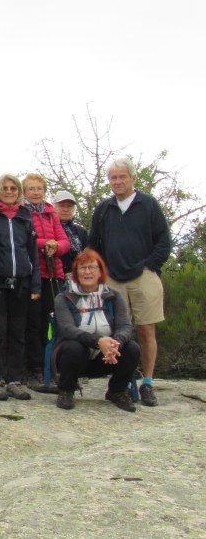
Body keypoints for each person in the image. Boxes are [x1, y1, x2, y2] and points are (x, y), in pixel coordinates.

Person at [86, 157, 171, 407]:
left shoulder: (149, 204)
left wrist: (150, 266)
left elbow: (163, 241)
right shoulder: (104, 209)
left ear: (133, 178)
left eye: (122, 176)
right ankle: (120, 384)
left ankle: (147, 383)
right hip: (112, 277)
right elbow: (93, 245)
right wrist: (96, 272)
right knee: (115, 333)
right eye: (113, 177)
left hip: (144, 275)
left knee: (146, 329)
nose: (118, 181)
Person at [52, 248, 142, 412]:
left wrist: (115, 344)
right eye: (82, 268)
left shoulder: (114, 296)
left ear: (100, 272)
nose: (87, 272)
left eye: (92, 267)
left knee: (132, 349)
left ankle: (117, 391)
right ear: (75, 273)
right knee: (73, 347)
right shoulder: (64, 298)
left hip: (108, 357)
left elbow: (125, 326)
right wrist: (98, 341)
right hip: (77, 358)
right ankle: (66, 390)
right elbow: (67, 329)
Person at [0, 174, 40, 400]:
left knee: (18, 334)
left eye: (14, 188)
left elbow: (32, 252)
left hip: (21, 284)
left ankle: (15, 379)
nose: (10, 191)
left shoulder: (26, 217)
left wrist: (35, 284)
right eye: (5, 188)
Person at [21, 173, 69, 390]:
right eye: (31, 188)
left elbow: (65, 243)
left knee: (52, 325)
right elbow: (24, 238)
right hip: (33, 274)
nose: (36, 192)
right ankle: (35, 369)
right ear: (24, 192)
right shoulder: (22, 212)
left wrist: (55, 246)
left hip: (54, 275)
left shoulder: (51, 214)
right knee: (33, 324)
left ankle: (52, 367)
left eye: (39, 188)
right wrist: (44, 243)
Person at [53, 190, 87, 272]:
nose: (65, 209)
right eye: (61, 206)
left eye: (69, 206)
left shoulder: (80, 231)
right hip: (57, 275)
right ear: (54, 208)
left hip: (79, 274)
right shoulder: (49, 228)